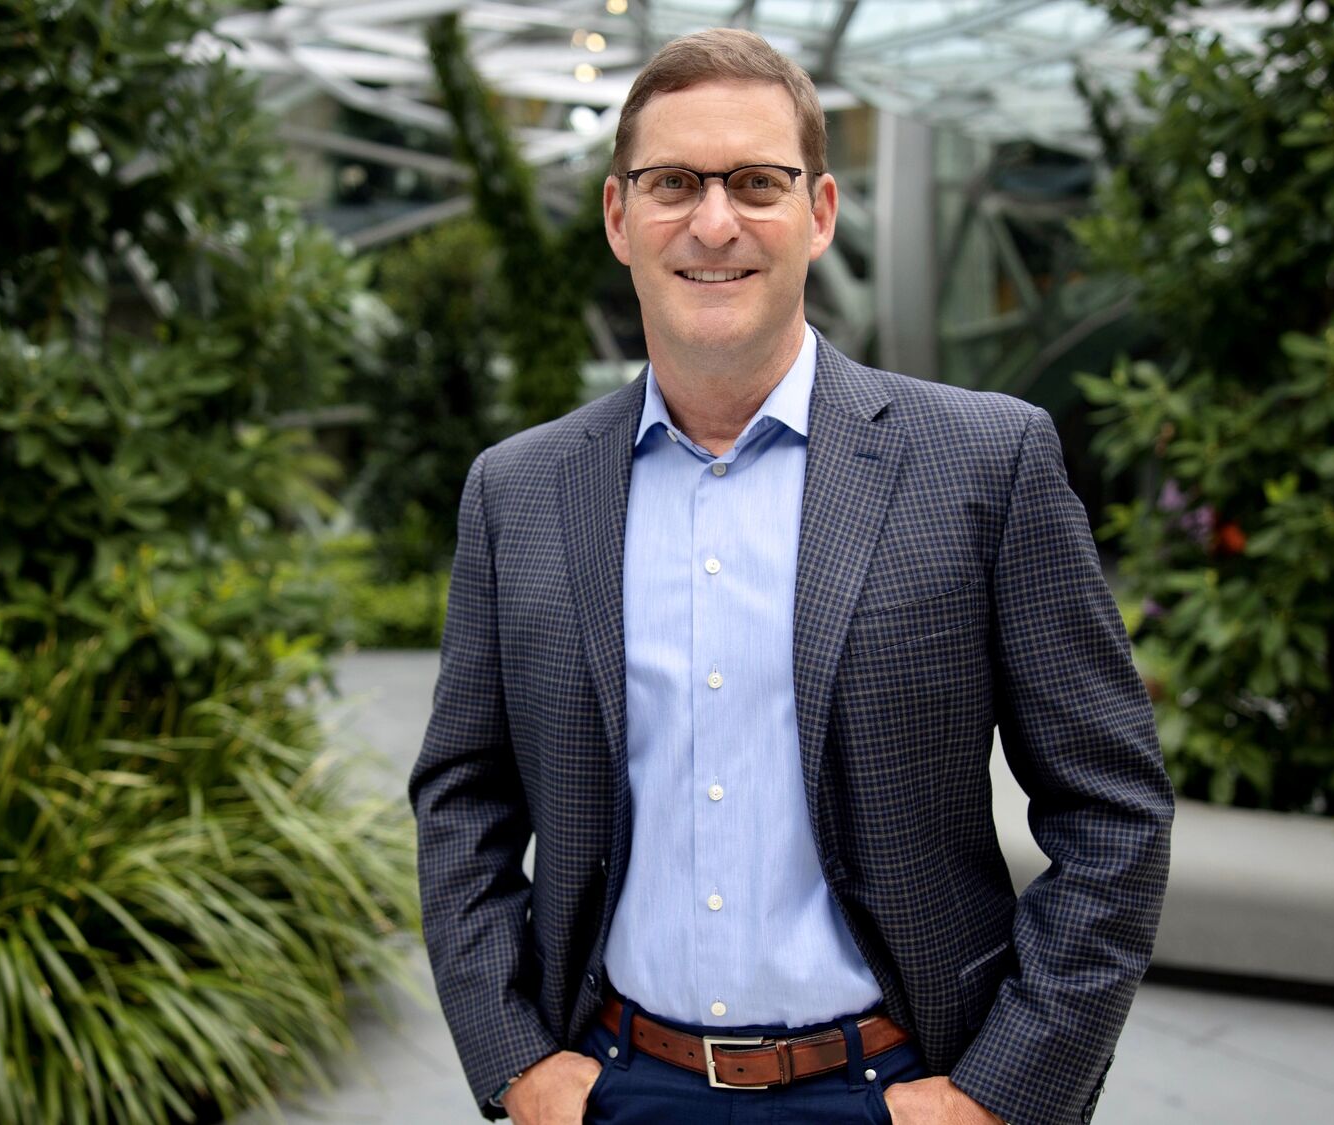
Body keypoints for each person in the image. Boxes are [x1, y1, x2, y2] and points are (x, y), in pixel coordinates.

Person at [407, 27, 1173, 1125]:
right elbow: (461, 802)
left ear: (816, 213)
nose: (712, 223)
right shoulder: (516, 491)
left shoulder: (983, 462)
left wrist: (996, 1099)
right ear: (618, 218)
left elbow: (1113, 812)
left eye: (755, 183)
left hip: (896, 1089)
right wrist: (517, 1065)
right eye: (672, 182)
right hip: (614, 1086)